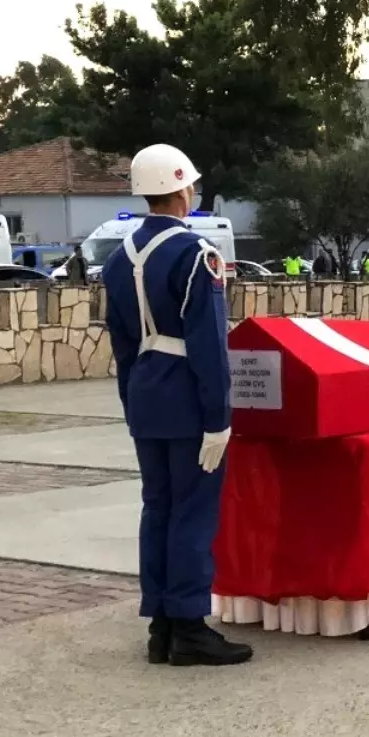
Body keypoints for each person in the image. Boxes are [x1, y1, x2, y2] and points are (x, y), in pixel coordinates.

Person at [102, 144, 251, 668]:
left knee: (158, 508)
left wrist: (131, 403)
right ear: (183, 189)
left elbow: (122, 342)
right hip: (187, 398)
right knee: (192, 511)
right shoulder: (196, 254)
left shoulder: (120, 259)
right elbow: (208, 343)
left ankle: (161, 624)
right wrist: (219, 417)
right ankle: (188, 625)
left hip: (146, 394)